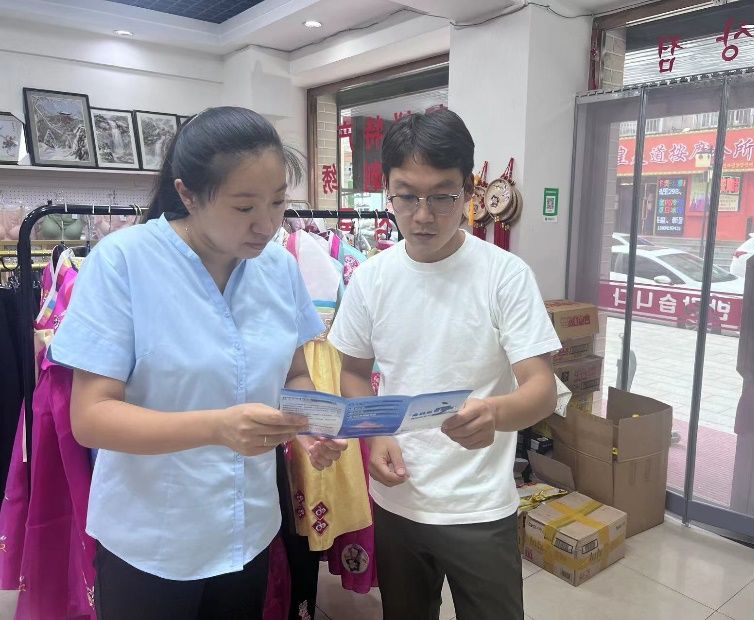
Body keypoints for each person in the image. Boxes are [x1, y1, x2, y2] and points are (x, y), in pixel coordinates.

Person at [48, 106, 347, 619]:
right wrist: (217, 428)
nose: (267, 224)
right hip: (152, 540)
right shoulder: (123, 262)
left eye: (278, 203)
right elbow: (91, 418)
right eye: (244, 207)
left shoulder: (278, 267)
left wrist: (309, 427)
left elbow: (294, 374)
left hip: (247, 531)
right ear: (187, 195)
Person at [328, 108, 561, 620]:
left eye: (442, 196)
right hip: (397, 500)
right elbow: (353, 373)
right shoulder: (370, 279)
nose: (423, 215)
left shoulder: (504, 276)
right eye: (406, 196)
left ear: (468, 192)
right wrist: (376, 434)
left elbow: (541, 388)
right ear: (387, 192)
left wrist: (495, 413)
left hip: (479, 506)